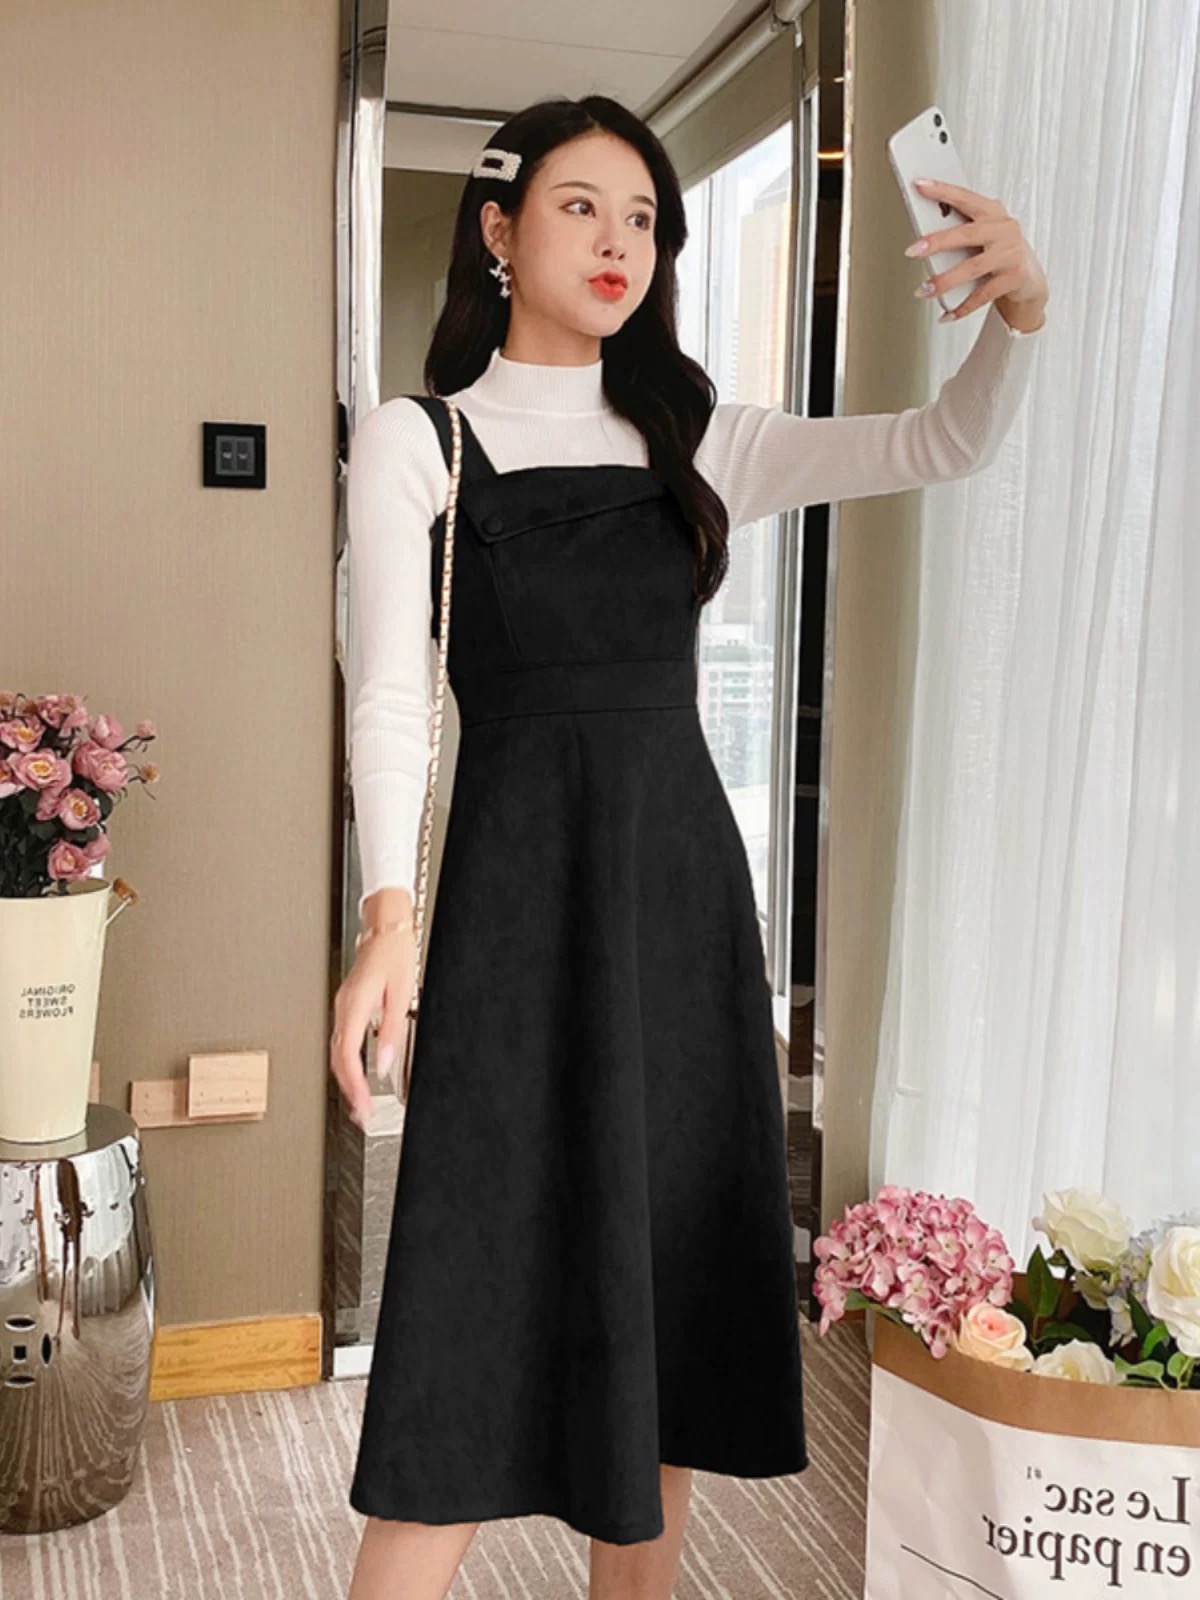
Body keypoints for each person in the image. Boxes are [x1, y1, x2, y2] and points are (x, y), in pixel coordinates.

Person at [331, 92, 1048, 1600]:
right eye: (582, 206)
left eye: (646, 218)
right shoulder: (420, 440)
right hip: (514, 914)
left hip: (678, 911)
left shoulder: (696, 437)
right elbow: (391, 697)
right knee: (468, 1302)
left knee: (656, 1319)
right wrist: (389, 919)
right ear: (498, 230)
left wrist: (1020, 317)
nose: (621, 242)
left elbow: (947, 441)